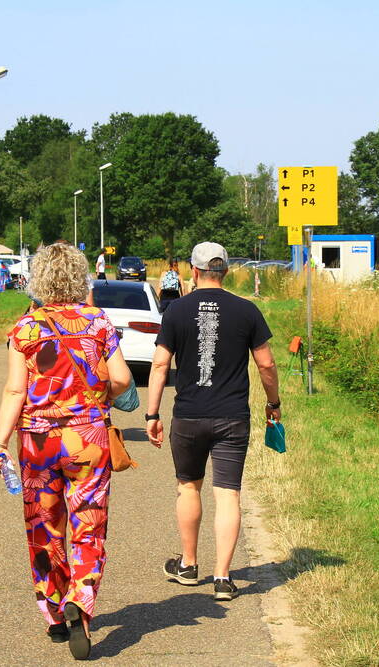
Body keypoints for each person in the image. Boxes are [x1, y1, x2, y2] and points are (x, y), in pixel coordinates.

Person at [0, 241, 131, 660]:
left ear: (38, 278)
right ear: (79, 276)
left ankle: (53, 612)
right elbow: (122, 380)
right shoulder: (98, 323)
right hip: (87, 440)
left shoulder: (25, 328)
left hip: (37, 441)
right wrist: (95, 394)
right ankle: (81, 602)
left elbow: (15, 389)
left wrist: (0, 442)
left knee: (44, 527)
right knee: (88, 524)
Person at [145, 241, 281, 601]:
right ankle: (222, 578)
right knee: (228, 494)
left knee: (188, 487)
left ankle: (189, 565)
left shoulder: (175, 311)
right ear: (226, 271)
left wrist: (152, 413)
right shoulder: (247, 310)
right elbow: (266, 364)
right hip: (232, 418)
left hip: (188, 416)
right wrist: (273, 403)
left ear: (194, 271)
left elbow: (159, 364)